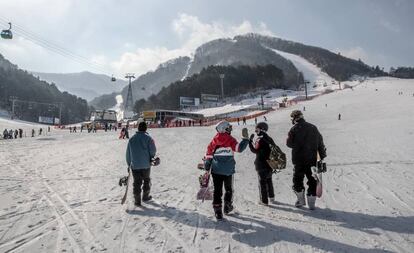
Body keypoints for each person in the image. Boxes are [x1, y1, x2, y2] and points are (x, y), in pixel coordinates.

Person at [204, 120, 249, 220]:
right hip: (228, 171)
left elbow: (209, 153)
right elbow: (239, 148)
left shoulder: (214, 140)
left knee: (217, 190)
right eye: (228, 128)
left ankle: (218, 211)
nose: (230, 130)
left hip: (216, 171)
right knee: (228, 189)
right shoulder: (230, 139)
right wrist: (245, 140)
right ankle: (227, 207)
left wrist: (207, 165)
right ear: (224, 129)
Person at [286, 110, 326, 210]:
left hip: (299, 160)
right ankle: (311, 203)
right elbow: (320, 143)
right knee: (312, 180)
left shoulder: (294, 129)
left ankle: (300, 200)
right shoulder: (313, 127)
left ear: (294, 119)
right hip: (312, 159)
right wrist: (321, 157)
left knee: (297, 180)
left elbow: (289, 144)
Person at [126, 121, 157, 206]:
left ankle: (137, 200)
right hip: (146, 164)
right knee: (146, 180)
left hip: (135, 165)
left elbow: (128, 154)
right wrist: (151, 157)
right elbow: (153, 150)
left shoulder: (131, 139)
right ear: (146, 128)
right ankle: (145, 196)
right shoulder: (149, 138)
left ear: (138, 128)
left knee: (137, 182)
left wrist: (129, 164)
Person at [249, 122, 276, 205]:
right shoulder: (270, 139)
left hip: (261, 164)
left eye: (257, 129)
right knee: (269, 180)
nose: (256, 131)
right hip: (270, 164)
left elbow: (255, 150)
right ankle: (271, 197)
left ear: (262, 129)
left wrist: (250, 142)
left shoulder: (260, 139)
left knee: (262, 182)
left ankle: (264, 200)